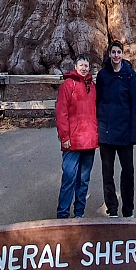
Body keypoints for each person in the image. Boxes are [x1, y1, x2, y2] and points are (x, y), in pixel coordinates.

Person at [96, 40, 136, 218]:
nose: (116, 55)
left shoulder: (130, 76)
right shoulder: (103, 76)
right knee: (107, 173)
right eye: (113, 52)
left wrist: (134, 134)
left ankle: (128, 210)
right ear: (109, 54)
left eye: (119, 52)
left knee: (128, 172)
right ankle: (112, 209)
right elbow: (98, 101)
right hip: (106, 132)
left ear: (122, 54)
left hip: (125, 133)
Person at [55, 54, 98, 219]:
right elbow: (61, 112)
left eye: (86, 65)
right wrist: (64, 137)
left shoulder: (92, 86)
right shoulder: (67, 85)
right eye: (81, 65)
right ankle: (63, 215)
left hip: (89, 140)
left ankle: (79, 213)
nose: (84, 68)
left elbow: (96, 112)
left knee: (84, 180)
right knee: (69, 178)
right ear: (75, 66)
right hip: (72, 142)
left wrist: (96, 135)